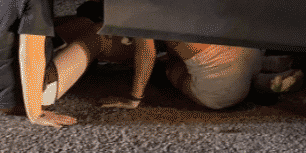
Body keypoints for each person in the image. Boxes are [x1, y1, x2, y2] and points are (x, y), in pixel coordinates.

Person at [104, 40, 264, 111]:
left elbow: (147, 54)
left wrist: (134, 99)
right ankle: (263, 81)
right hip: (253, 56)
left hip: (221, 89)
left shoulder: (145, 10)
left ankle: (257, 83)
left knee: (170, 68)